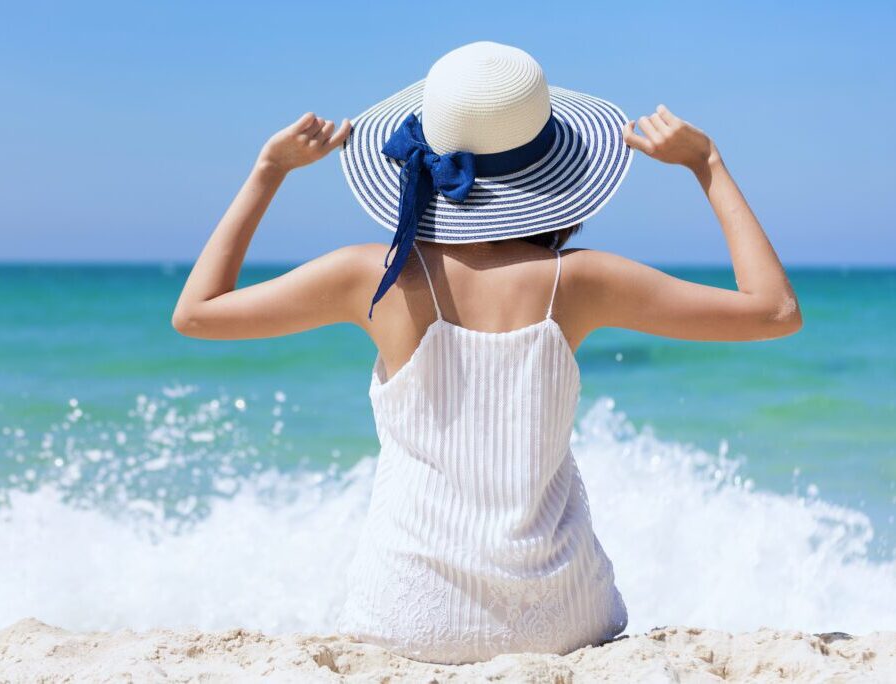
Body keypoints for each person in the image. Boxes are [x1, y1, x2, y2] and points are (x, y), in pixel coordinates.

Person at [172, 42, 802, 664]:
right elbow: (775, 312)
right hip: (561, 619)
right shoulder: (578, 282)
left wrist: (268, 171)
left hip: (408, 612)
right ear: (552, 169)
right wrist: (708, 164)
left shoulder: (370, 276)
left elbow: (196, 314)